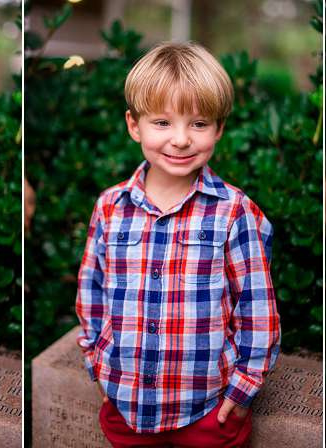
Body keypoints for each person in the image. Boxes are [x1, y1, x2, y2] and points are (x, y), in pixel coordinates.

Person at [75, 41, 281, 448]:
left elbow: (256, 305)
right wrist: (99, 364)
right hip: (126, 407)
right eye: (163, 123)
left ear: (220, 128)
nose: (182, 139)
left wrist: (242, 388)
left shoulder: (234, 212)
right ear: (134, 125)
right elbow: (92, 290)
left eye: (199, 123)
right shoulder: (110, 206)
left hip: (208, 410)